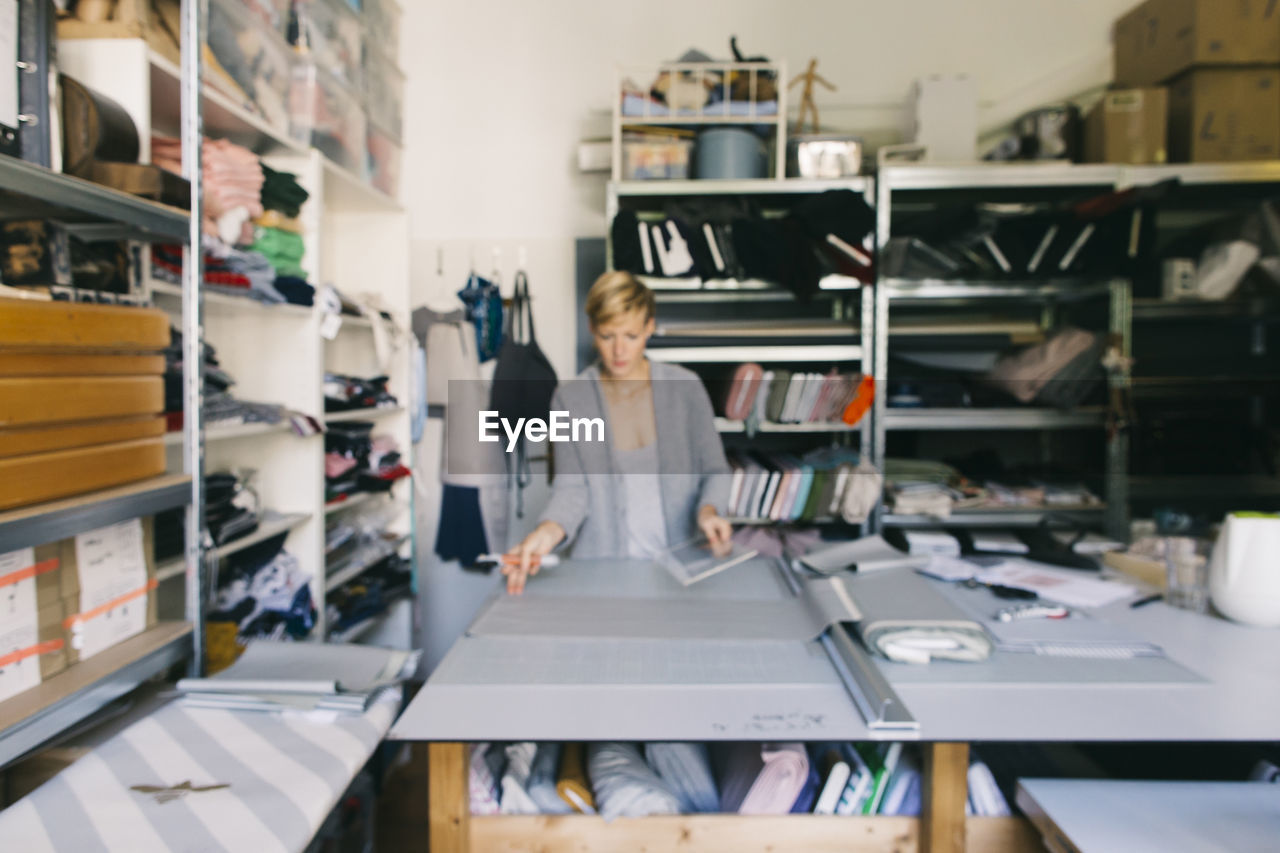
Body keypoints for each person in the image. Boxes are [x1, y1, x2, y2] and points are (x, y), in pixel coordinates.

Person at [502, 271, 733, 594]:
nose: (619, 351)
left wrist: (709, 511)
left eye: (631, 336)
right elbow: (572, 488)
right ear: (592, 329)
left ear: (649, 326)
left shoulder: (685, 388)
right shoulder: (571, 399)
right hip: (602, 574)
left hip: (681, 573)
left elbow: (715, 471)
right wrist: (547, 531)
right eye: (608, 336)